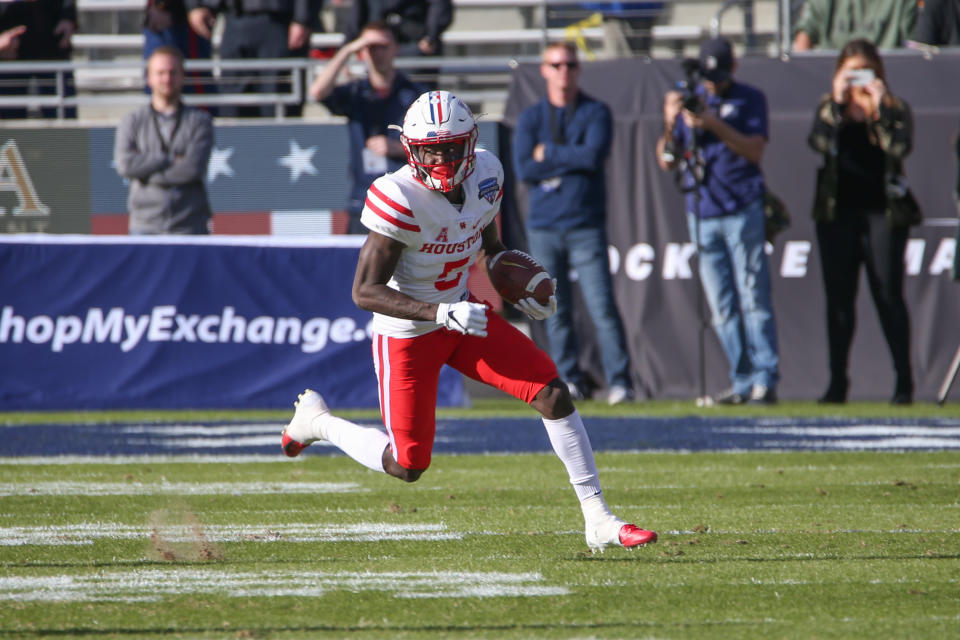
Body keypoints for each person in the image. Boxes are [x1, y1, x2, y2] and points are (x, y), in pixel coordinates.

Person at [280, 90, 657, 553]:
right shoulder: (398, 196)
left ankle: (597, 518)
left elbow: (488, 245)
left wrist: (521, 284)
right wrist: (439, 312)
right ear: (412, 150)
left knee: (552, 393)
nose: (440, 159)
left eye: (450, 147)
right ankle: (318, 422)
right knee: (408, 464)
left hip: (461, 317)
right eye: (430, 150)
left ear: (471, 143)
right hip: (409, 333)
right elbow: (364, 292)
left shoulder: (487, 174)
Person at [656, 37, 780, 405]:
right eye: (708, 77)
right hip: (702, 212)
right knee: (721, 305)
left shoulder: (749, 98)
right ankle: (742, 381)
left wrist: (714, 125)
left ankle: (765, 378)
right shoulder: (691, 100)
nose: (712, 84)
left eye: (719, 76)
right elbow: (666, 160)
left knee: (753, 295)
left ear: (733, 67)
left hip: (742, 207)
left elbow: (755, 150)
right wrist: (669, 121)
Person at [513, 42, 633, 406]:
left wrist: (548, 153)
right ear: (544, 70)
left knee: (602, 306)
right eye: (556, 64)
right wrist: (570, 160)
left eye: (570, 64)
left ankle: (621, 383)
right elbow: (524, 168)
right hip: (545, 225)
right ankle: (568, 378)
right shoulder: (532, 117)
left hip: (585, 224)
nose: (564, 71)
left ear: (578, 69)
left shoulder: (595, 111)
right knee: (556, 309)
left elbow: (594, 156)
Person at [807, 39, 915, 405]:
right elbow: (818, 143)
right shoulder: (829, 108)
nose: (858, 81)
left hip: (883, 213)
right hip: (838, 215)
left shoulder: (894, 109)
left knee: (888, 294)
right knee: (839, 300)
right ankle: (837, 382)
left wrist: (878, 109)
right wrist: (838, 103)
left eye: (865, 72)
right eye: (851, 73)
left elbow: (899, 147)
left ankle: (904, 382)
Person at [310, 21, 426, 234]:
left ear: (395, 48)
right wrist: (346, 50)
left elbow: (433, 147)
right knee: (358, 265)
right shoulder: (356, 92)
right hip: (364, 200)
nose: (377, 53)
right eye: (370, 47)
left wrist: (397, 148)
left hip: (407, 201)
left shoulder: (416, 94)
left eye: (383, 45)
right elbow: (318, 92)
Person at [114, 46, 214, 235]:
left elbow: (193, 169)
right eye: (160, 73)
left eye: (172, 73)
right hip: (145, 226)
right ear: (148, 78)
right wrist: (167, 159)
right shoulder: (132, 121)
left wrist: (145, 172)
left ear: (183, 76)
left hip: (189, 226)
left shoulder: (200, 121)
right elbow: (126, 166)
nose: (167, 79)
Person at [186, 0, 322, 117]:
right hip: (232, 18)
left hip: (278, 20)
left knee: (276, 103)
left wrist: (303, 18)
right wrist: (195, 5)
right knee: (232, 105)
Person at [0, 0, 76, 120]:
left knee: (62, 123)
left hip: (51, 41)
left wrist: (68, 16)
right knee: (10, 125)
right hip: (8, 51)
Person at [144, 0, 215, 101]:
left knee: (197, 84)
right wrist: (160, 6)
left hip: (190, 17)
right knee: (162, 79)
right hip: (169, 16)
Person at [342, 0, 453, 57]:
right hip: (377, 46)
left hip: (414, 47)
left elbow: (440, 6)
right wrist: (347, 47)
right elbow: (357, 14)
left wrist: (430, 36)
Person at [792, 0, 917, 51]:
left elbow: (913, 46)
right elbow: (804, 36)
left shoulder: (904, 3)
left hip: (886, 83)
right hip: (831, 81)